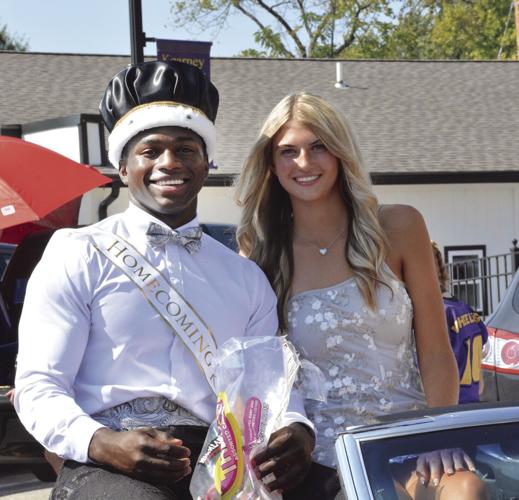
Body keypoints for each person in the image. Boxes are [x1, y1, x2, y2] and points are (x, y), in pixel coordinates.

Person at [14, 61, 315, 499]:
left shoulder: (245, 277)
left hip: (220, 462)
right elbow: (38, 386)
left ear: (207, 163)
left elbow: (266, 389)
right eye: (150, 151)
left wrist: (295, 428)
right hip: (108, 461)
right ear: (123, 168)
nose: (168, 163)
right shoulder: (77, 253)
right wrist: (99, 442)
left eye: (185, 150)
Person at [235, 93, 489, 499]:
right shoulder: (261, 251)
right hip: (315, 456)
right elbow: (261, 373)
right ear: (271, 163)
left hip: (406, 437)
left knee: (467, 489)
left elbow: (438, 351)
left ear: (340, 152)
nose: (304, 162)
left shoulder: (400, 225)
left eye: (318, 146)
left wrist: (438, 430)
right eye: (288, 151)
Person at [431, 241, 489, 404]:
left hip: (448, 408)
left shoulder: (437, 315)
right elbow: (481, 385)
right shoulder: (467, 310)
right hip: (471, 403)